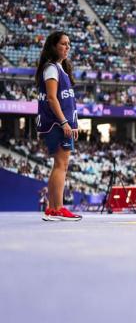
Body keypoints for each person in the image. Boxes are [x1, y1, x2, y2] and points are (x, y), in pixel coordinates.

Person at [36, 31, 82, 221]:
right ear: (54, 46)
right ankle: (58, 208)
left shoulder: (59, 69)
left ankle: (54, 209)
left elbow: (67, 101)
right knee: (61, 165)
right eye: (63, 43)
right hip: (57, 123)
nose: (67, 47)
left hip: (61, 123)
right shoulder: (52, 68)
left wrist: (73, 123)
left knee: (59, 164)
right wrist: (64, 122)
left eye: (69, 44)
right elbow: (52, 98)